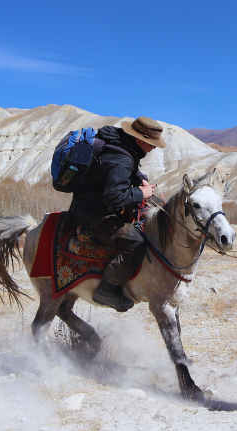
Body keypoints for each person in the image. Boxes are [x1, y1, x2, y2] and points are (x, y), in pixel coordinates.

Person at [68, 116, 167, 312]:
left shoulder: (119, 143)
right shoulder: (122, 158)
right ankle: (107, 291)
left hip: (88, 204)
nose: (153, 148)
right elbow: (113, 197)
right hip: (94, 214)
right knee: (135, 243)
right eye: (151, 144)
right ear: (140, 140)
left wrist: (141, 179)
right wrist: (141, 193)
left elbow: (119, 171)